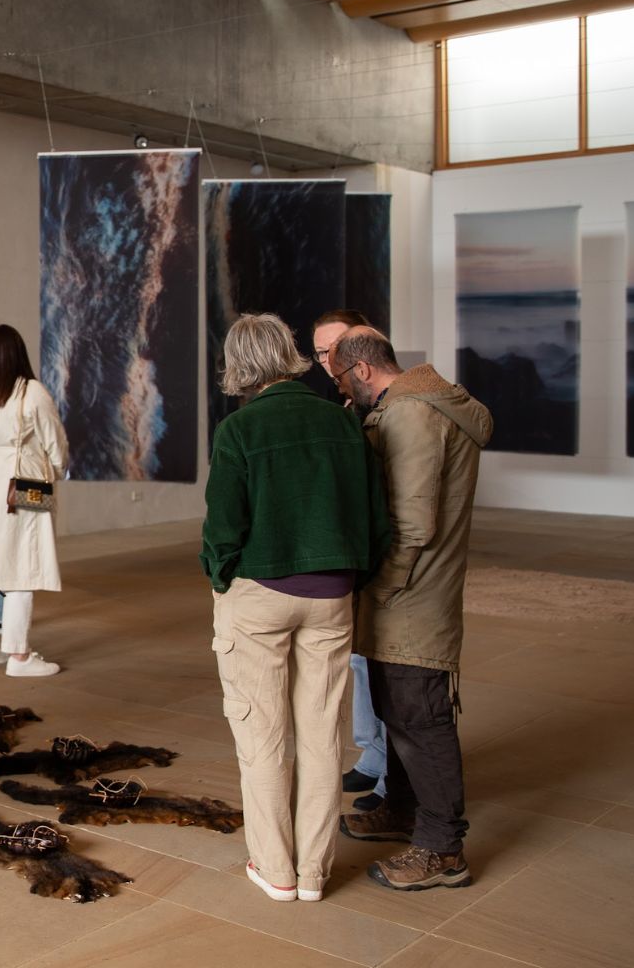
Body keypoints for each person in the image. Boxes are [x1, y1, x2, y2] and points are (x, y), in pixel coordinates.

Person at [200, 313, 390, 903]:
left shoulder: (240, 430)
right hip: (332, 598)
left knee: (263, 738)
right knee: (320, 736)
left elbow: (222, 530)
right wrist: (348, 577)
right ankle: (313, 875)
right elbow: (377, 522)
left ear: (238, 366)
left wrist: (221, 575)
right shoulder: (342, 423)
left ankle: (276, 870)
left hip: (259, 596)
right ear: (289, 355)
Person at [329, 326, 491, 892]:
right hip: (416, 595)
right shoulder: (421, 407)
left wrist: (379, 588)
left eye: (344, 381)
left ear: (365, 369)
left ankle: (442, 849)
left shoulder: (411, 416)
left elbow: (414, 524)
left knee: (421, 719)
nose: (345, 395)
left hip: (412, 599)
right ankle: (400, 809)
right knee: (399, 710)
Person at [312, 309, 388, 808]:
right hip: (358, 556)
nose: (329, 360)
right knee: (359, 661)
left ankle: (390, 778)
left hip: (386, 556)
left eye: (336, 348)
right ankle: (373, 757)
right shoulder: (345, 403)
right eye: (320, 352)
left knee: (386, 667)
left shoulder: (386, 405)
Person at [0, 324, 69, 677]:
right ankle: (20, 657)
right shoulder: (32, 392)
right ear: (18, 353)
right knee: (24, 565)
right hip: (26, 481)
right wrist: (55, 471)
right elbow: (55, 443)